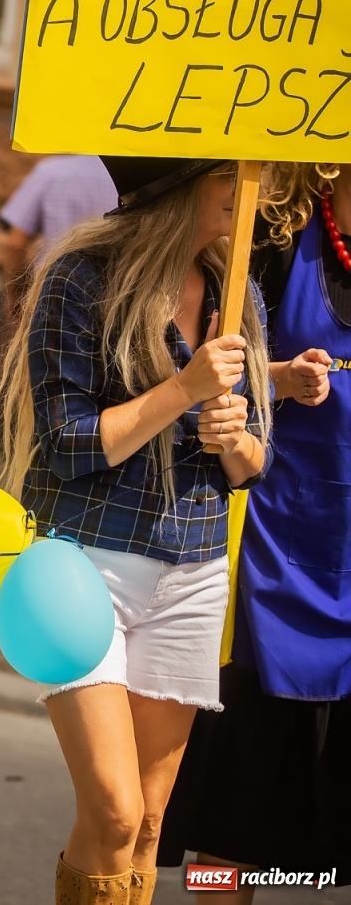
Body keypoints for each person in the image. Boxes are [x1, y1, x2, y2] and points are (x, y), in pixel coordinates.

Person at [0, 158, 272, 905]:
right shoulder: (81, 278)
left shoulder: (240, 291)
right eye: (234, 175)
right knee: (112, 810)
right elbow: (70, 444)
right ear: (184, 184)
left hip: (194, 570)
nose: (255, 187)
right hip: (82, 570)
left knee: (147, 824)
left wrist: (234, 438)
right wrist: (184, 390)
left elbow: (251, 466)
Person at [155, 160, 349, 896]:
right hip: (269, 541)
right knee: (228, 806)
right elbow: (213, 370)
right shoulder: (270, 234)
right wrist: (280, 376)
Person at [0, 155, 118, 318]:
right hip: (112, 296)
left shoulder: (50, 172)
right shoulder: (130, 178)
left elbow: (15, 243)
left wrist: (15, 294)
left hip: (51, 291)